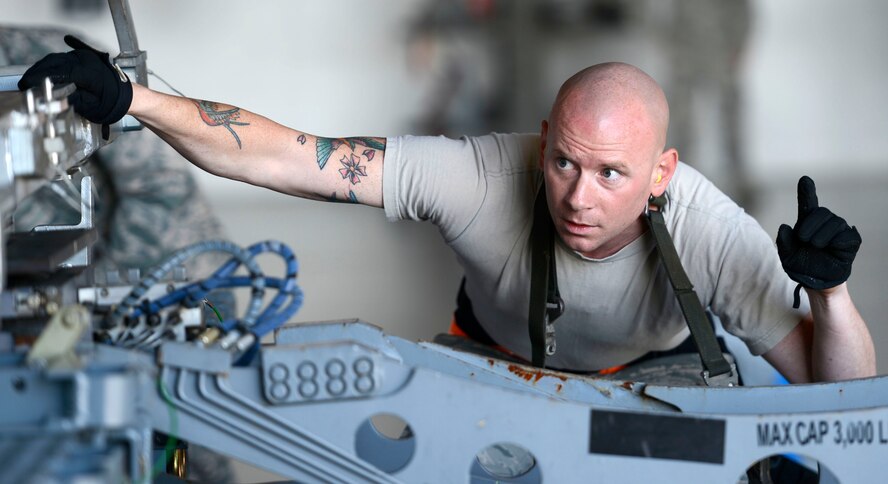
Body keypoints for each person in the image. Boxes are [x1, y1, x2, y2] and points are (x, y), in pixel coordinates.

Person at [19, 36, 876, 383]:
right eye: (566, 162)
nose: (579, 197)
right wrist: (133, 100)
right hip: (496, 363)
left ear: (664, 172)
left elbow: (841, 392)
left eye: (612, 174)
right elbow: (293, 156)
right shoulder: (481, 173)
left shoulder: (706, 225)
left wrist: (832, 294)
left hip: (656, 376)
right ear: (544, 142)